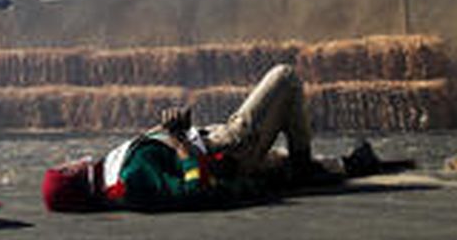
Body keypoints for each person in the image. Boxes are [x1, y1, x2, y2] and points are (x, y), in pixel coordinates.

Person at [41, 64, 394, 213]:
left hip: (218, 149)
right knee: (285, 77)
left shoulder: (113, 177)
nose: (71, 160)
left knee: (286, 162)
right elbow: (195, 191)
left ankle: (333, 165)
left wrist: (176, 136)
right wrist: (180, 142)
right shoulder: (128, 181)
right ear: (73, 176)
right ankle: (304, 166)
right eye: (64, 167)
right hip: (229, 148)